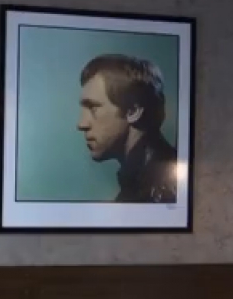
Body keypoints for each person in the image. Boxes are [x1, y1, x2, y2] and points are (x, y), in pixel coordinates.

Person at [76, 54, 177, 203]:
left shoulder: (159, 190)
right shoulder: (146, 182)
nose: (81, 124)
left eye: (93, 108)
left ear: (133, 111)